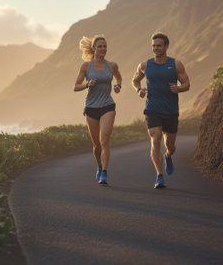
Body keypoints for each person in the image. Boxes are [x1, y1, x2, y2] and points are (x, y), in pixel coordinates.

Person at [132, 32, 190, 189]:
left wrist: (178, 88)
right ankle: (159, 176)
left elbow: (186, 84)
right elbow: (135, 80)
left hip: (171, 111)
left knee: (170, 146)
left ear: (166, 46)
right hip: (152, 109)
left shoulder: (176, 64)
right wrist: (139, 90)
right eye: (153, 46)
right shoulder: (145, 65)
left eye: (159, 45)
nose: (155, 48)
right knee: (155, 138)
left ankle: (168, 156)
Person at [74, 35, 122, 184]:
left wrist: (118, 86)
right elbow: (76, 86)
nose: (103, 49)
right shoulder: (86, 66)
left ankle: (105, 173)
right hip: (91, 108)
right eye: (100, 46)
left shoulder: (112, 65)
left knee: (105, 141)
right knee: (97, 145)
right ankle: (100, 166)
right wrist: (88, 85)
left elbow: (119, 78)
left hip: (107, 105)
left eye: (105, 46)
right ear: (94, 48)